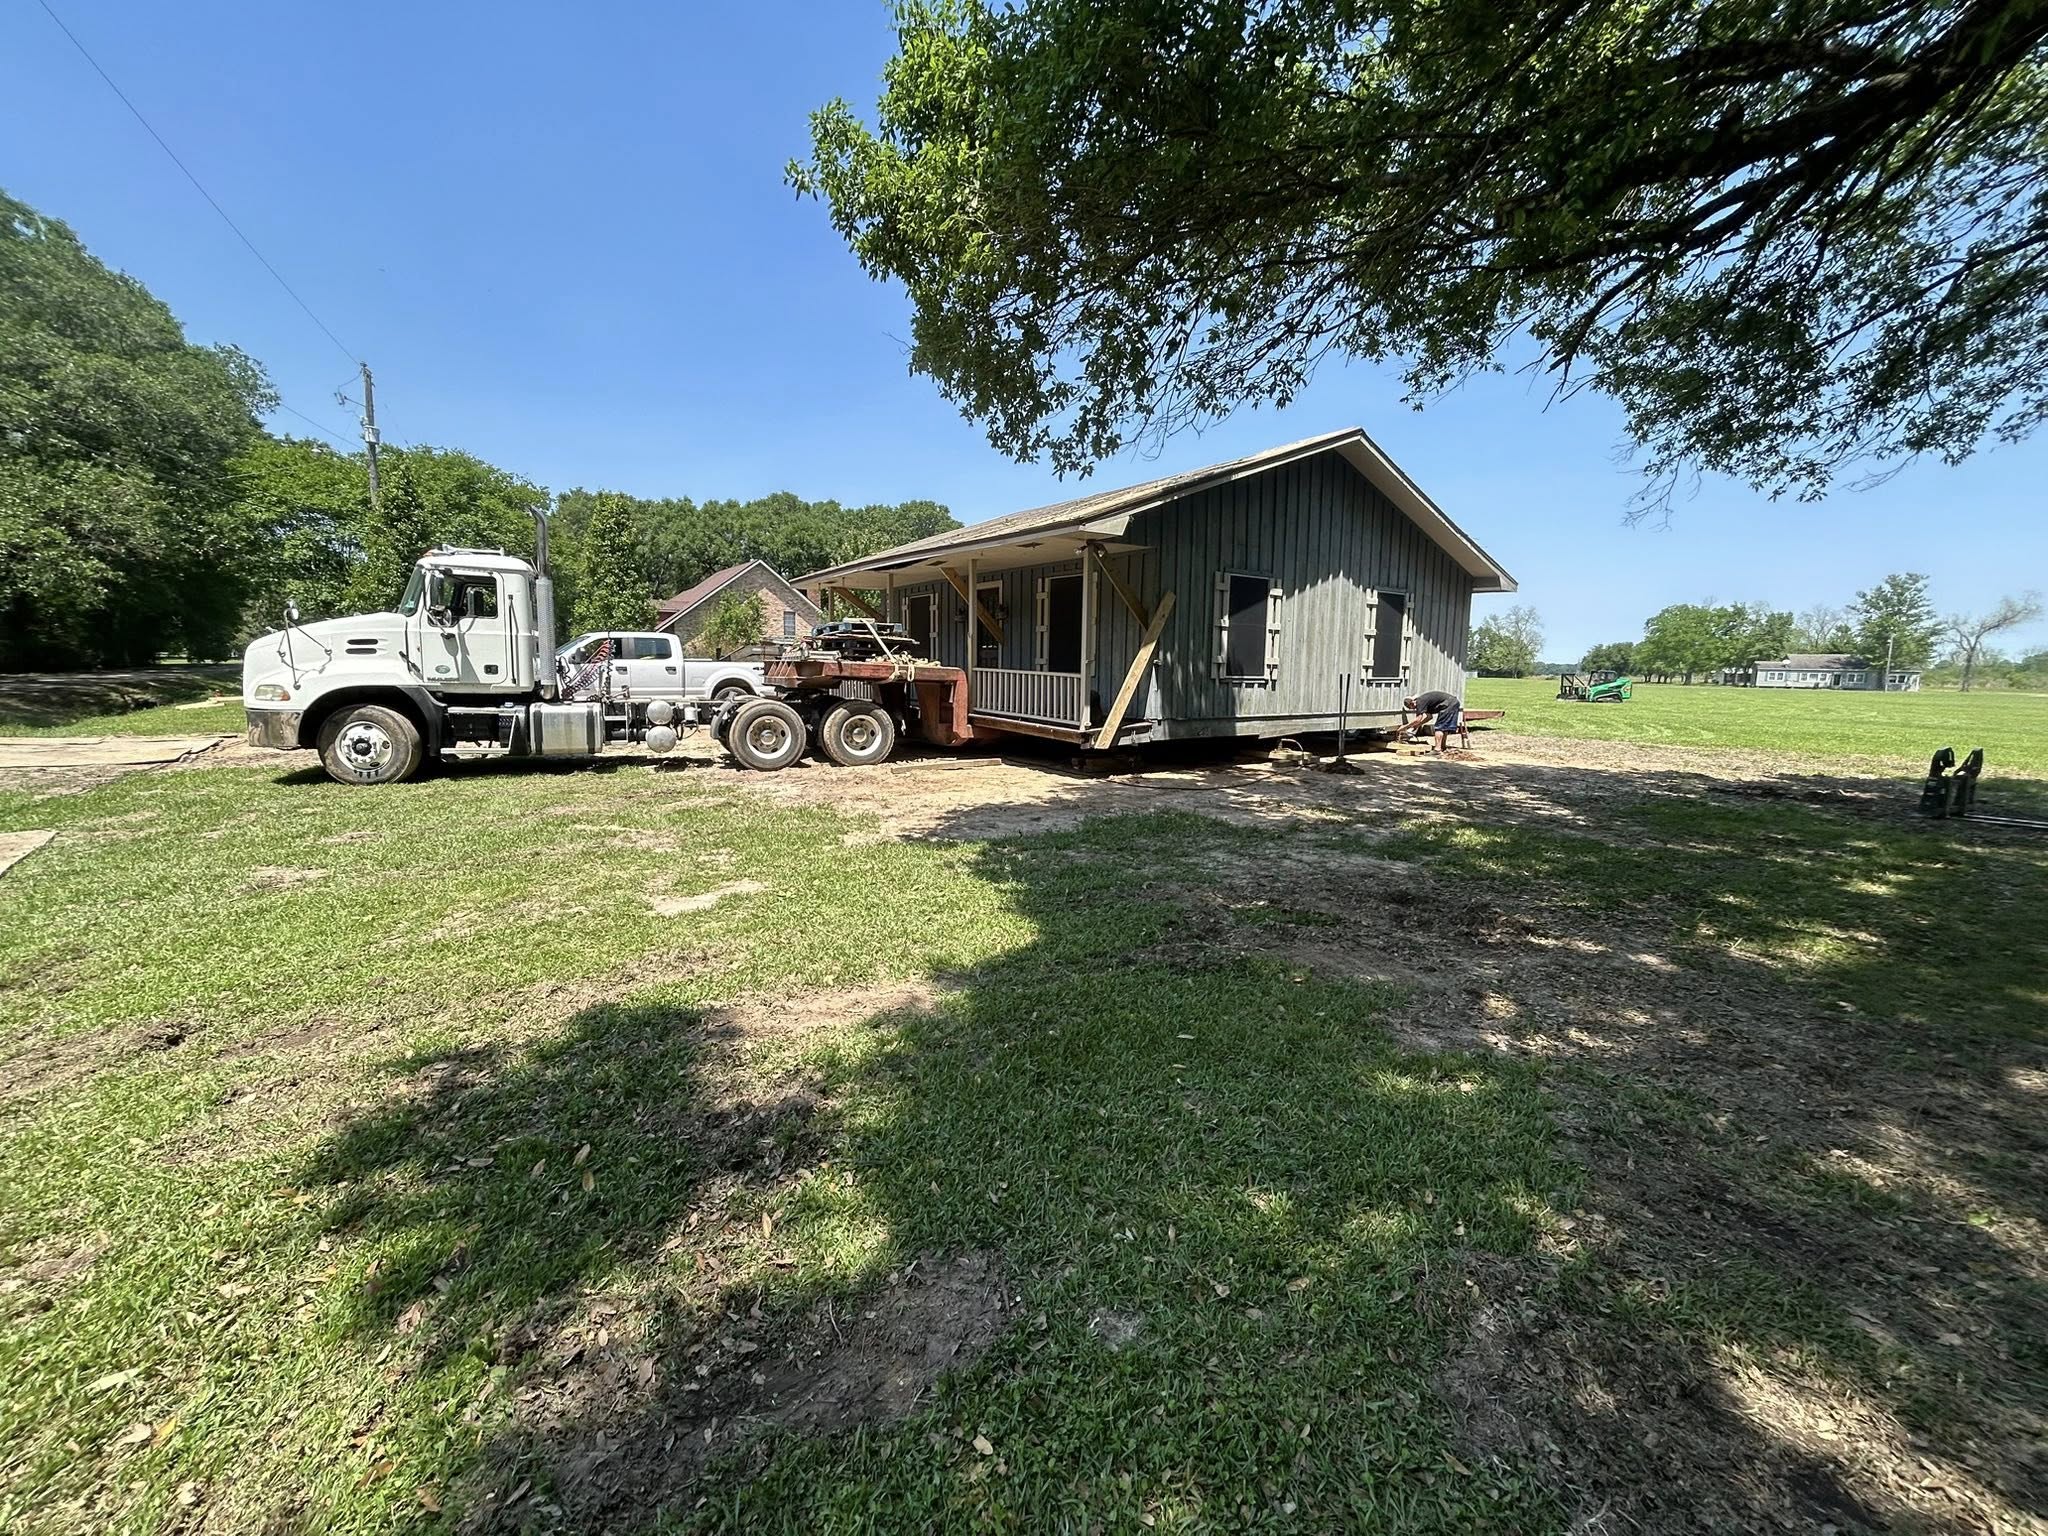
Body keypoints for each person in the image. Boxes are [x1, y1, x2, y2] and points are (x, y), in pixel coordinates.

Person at [1401, 689, 1468, 753]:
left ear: (1412, 703)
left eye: (1411, 708)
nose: (1413, 709)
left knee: (1439, 728)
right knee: (1444, 727)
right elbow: (1429, 717)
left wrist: (1404, 727)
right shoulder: (1424, 702)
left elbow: (1418, 719)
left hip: (1448, 704)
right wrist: (1417, 726)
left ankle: (1437, 750)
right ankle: (1442, 747)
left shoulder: (1419, 702)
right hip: (1453, 702)